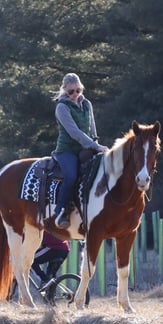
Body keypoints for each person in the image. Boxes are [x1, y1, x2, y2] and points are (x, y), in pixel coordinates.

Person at [51, 73, 108, 229]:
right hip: (67, 150)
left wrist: (97, 145)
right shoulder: (61, 107)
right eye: (71, 92)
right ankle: (61, 210)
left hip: (87, 147)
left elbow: (92, 129)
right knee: (71, 175)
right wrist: (94, 146)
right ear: (65, 91)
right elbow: (74, 132)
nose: (75, 94)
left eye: (78, 90)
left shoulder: (87, 104)